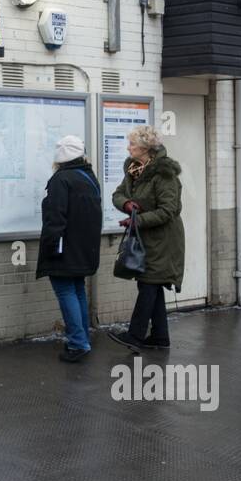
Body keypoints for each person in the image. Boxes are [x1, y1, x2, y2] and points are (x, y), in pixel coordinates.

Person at [108, 126, 184, 353]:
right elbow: (118, 194)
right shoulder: (133, 169)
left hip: (164, 239)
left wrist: (137, 220)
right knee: (152, 282)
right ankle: (160, 337)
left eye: (132, 144)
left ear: (145, 148)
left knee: (149, 283)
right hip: (145, 237)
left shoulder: (164, 173)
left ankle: (135, 335)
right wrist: (127, 205)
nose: (128, 147)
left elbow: (169, 210)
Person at [36, 135, 103, 362]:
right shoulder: (89, 177)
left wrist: (50, 249)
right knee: (77, 291)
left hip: (65, 249)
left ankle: (77, 343)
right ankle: (82, 336)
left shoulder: (60, 180)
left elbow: (55, 219)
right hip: (84, 249)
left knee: (66, 291)